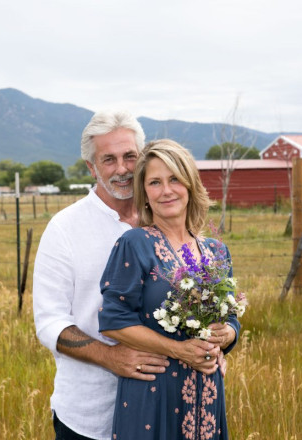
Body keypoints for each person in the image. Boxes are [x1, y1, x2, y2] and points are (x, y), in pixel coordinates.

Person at [33, 110, 170, 440]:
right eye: (108, 159)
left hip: (166, 406)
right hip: (90, 417)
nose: (122, 169)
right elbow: (50, 322)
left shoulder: (168, 219)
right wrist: (111, 357)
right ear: (91, 167)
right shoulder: (65, 229)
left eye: (129, 156)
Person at [99, 139, 241, 439]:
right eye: (155, 182)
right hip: (154, 391)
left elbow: (231, 319)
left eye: (174, 178)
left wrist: (227, 335)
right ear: (145, 194)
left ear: (190, 184)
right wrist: (179, 350)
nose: (166, 190)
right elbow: (113, 321)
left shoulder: (216, 252)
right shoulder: (134, 243)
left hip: (208, 392)